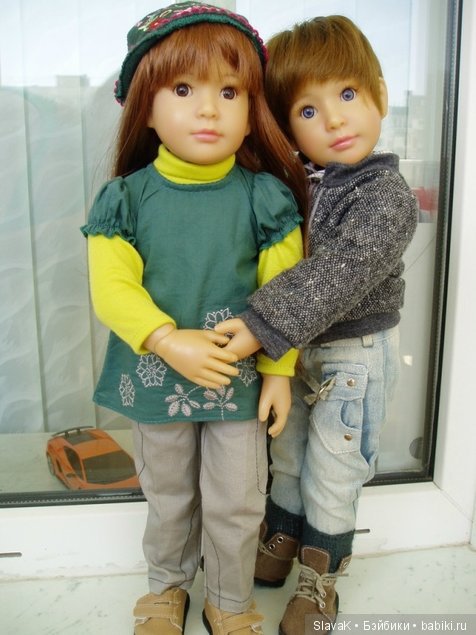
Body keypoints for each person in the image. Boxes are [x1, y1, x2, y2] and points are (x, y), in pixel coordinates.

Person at [81, 3, 308, 634]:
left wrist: (279, 371)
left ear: (252, 109)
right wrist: (164, 338)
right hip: (159, 380)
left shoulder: (264, 198)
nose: (209, 109)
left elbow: (286, 293)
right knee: (168, 495)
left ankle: (229, 599)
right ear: (146, 108)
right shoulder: (125, 199)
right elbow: (112, 286)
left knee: (239, 499)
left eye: (229, 92)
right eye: (183, 89)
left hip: (239, 382)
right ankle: (167, 589)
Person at [215, 15, 419, 633]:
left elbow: (344, 268)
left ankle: (320, 579)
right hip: (298, 351)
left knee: (335, 466)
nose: (333, 119)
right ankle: (281, 539)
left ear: (379, 94)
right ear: (287, 127)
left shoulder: (386, 194)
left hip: (354, 355)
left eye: (347, 94)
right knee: (288, 452)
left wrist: (260, 323)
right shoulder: (298, 184)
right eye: (308, 109)